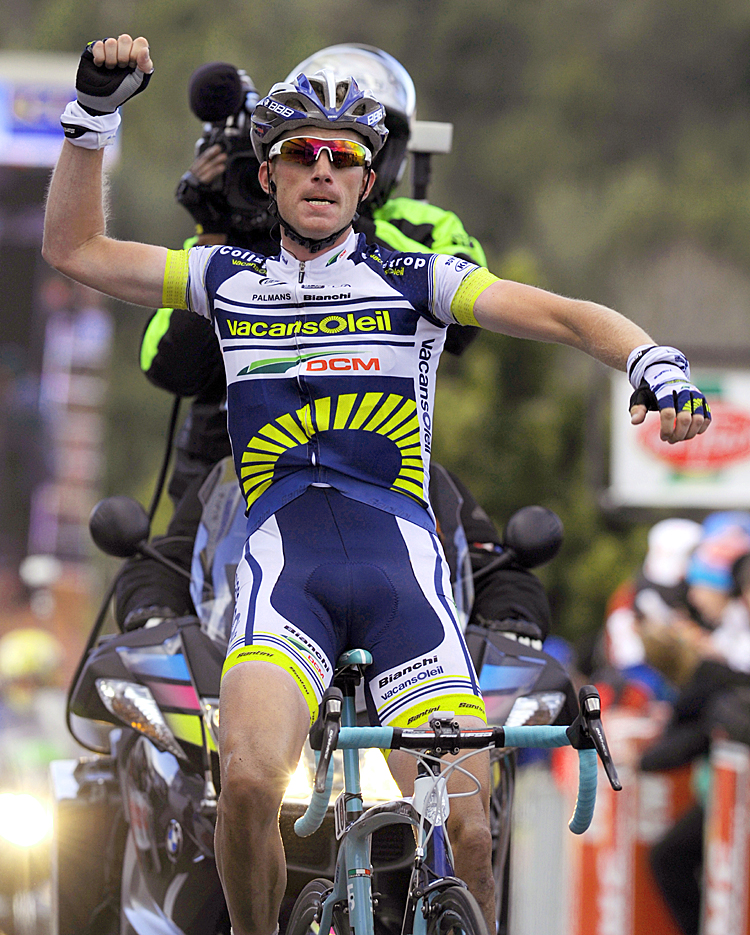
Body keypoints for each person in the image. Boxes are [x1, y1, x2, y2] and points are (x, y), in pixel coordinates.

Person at [43, 35, 711, 935]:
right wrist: (93, 116)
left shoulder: (417, 279)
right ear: (270, 177)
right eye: (299, 156)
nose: (322, 170)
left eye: (343, 156)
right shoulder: (225, 278)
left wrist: (652, 361)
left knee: (471, 830)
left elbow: (559, 314)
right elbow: (76, 248)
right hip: (285, 587)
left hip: (409, 592)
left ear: (366, 181)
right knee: (243, 783)